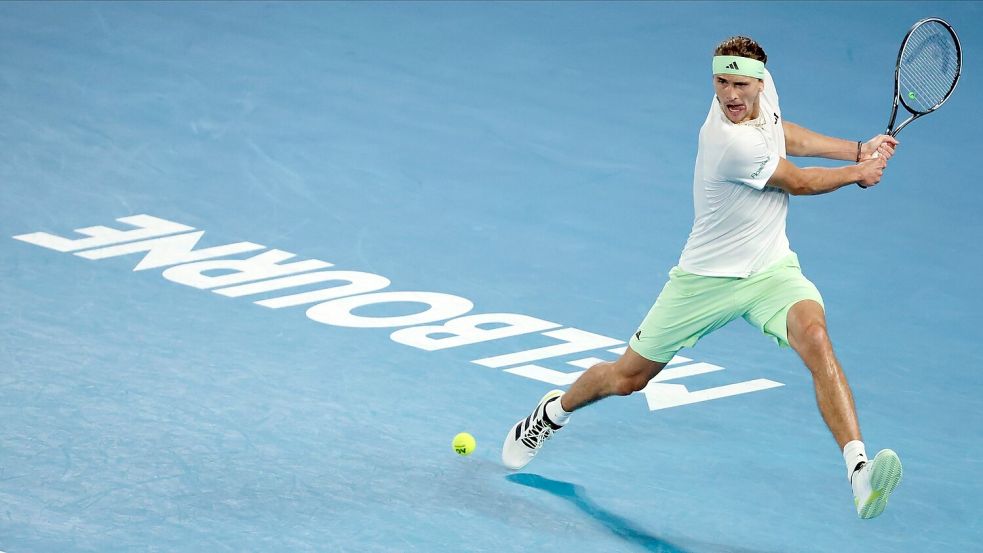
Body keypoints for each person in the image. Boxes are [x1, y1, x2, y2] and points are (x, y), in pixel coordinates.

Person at [501, 36, 903, 520]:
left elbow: (783, 133)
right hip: (705, 280)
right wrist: (857, 172)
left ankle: (859, 473)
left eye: (740, 84)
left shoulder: (761, 99)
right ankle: (553, 412)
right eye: (721, 83)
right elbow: (797, 180)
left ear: (760, 82)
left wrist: (857, 148)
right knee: (628, 379)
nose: (730, 96)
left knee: (816, 338)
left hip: (771, 269)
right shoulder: (726, 142)